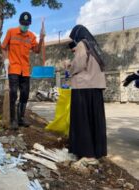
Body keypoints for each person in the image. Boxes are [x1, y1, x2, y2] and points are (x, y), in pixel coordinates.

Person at [66, 25, 107, 164]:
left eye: (74, 38)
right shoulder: (94, 45)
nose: (74, 41)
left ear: (77, 35)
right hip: (96, 86)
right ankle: (96, 152)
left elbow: (79, 64)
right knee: (94, 120)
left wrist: (68, 65)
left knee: (82, 120)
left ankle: (86, 152)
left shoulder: (82, 44)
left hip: (83, 87)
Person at [1, 12, 45, 130]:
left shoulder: (31, 36)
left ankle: (21, 118)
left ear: (29, 24)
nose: (24, 25)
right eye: (23, 23)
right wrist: (6, 59)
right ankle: (13, 119)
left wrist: (41, 39)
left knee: (25, 94)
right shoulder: (11, 32)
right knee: (13, 93)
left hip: (25, 70)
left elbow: (37, 50)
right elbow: (4, 47)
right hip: (13, 68)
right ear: (19, 22)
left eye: (27, 24)